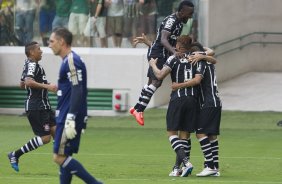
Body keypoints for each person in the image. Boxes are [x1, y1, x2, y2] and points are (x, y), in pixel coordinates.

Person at [49, 27, 102, 184]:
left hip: (68, 117)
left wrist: (71, 117)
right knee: (64, 156)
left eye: (51, 41)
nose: (49, 45)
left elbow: (78, 89)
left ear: (62, 42)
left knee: (58, 157)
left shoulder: (72, 60)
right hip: (66, 116)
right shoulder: (68, 61)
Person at [130, 0, 195, 126]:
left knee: (151, 83)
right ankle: (139, 110)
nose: (191, 16)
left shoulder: (180, 23)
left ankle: (136, 108)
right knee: (157, 81)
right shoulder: (171, 21)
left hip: (161, 52)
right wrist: (174, 52)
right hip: (158, 54)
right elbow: (163, 40)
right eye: (189, 13)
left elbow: (165, 42)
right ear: (182, 11)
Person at [148, 35, 196, 177]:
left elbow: (160, 75)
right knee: (184, 136)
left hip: (178, 99)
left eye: (176, 44)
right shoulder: (195, 57)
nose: (174, 46)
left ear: (180, 46)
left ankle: (186, 163)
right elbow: (210, 53)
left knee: (171, 133)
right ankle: (177, 168)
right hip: (193, 100)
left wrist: (152, 65)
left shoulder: (173, 58)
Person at [171, 42, 221, 177]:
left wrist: (178, 85)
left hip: (208, 103)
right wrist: (202, 52)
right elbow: (213, 56)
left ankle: (209, 165)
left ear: (195, 54)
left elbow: (197, 80)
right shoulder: (208, 62)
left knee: (200, 132)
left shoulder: (201, 63)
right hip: (216, 102)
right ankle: (215, 166)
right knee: (211, 135)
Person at [8, 41, 57, 172]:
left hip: (44, 105)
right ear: (31, 52)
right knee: (46, 138)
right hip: (37, 107)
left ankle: (64, 164)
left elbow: (22, 84)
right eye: (39, 49)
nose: (41, 51)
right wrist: (47, 86)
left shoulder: (28, 64)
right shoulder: (32, 65)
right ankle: (15, 154)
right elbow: (28, 82)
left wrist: (44, 84)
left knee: (58, 133)